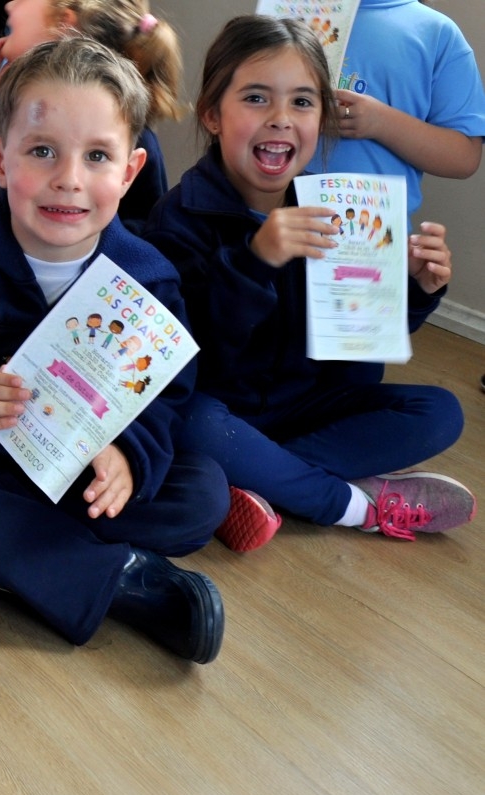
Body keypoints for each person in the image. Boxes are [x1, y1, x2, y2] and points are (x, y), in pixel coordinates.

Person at [0, 37, 230, 665]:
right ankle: (120, 580)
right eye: (42, 152)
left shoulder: (148, 279)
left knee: (202, 493)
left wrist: (130, 456)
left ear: (130, 172)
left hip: (71, 473)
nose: (69, 179)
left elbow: (166, 392)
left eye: (96, 156)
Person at [143, 15, 476, 552]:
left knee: (440, 411)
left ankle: (266, 480)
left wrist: (414, 289)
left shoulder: (334, 207)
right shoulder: (178, 218)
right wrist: (255, 261)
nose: (280, 119)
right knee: (192, 423)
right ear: (212, 114)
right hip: (222, 408)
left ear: (323, 119)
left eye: (302, 102)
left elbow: (360, 350)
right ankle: (352, 505)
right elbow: (193, 360)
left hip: (302, 412)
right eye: (255, 98)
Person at [0, 0, 184, 226]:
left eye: (97, 156)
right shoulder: (18, 106)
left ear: (63, 23)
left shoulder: (134, 138)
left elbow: (143, 230)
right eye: (42, 151)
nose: (10, 5)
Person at [306, 0, 485, 223]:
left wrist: (381, 122)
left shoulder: (436, 32)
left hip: (372, 239)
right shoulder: (285, 16)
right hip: (266, 226)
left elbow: (464, 157)